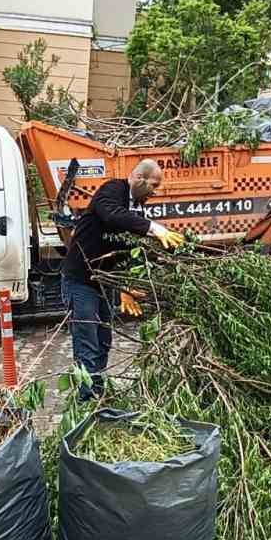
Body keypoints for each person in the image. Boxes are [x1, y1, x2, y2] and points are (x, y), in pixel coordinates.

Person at [60, 159, 185, 401]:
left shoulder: (136, 205)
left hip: (104, 280)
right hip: (80, 281)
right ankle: (87, 401)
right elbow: (113, 216)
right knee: (88, 343)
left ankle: (97, 392)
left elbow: (126, 248)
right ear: (139, 179)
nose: (155, 191)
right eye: (154, 185)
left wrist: (125, 286)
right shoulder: (112, 190)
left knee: (104, 341)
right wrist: (155, 229)